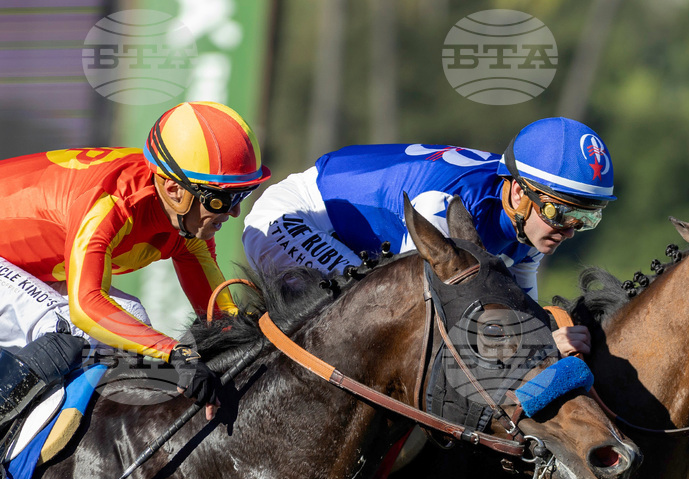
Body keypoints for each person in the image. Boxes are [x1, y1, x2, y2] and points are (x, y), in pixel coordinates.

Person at [242, 117, 614, 357]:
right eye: (561, 212)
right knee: (375, 310)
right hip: (297, 217)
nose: (569, 230)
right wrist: (539, 344)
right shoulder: (445, 204)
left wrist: (546, 337)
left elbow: (520, 317)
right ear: (518, 192)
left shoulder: (528, 228)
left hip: (359, 240)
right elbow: (422, 313)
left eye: (586, 218)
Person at [0, 101, 269, 432]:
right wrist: (174, 354)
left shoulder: (184, 220)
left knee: (132, 321)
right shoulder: (110, 204)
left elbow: (219, 317)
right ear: (174, 190)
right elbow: (86, 306)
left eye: (243, 195)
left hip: (19, 265)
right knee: (69, 326)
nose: (234, 213)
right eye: (222, 200)